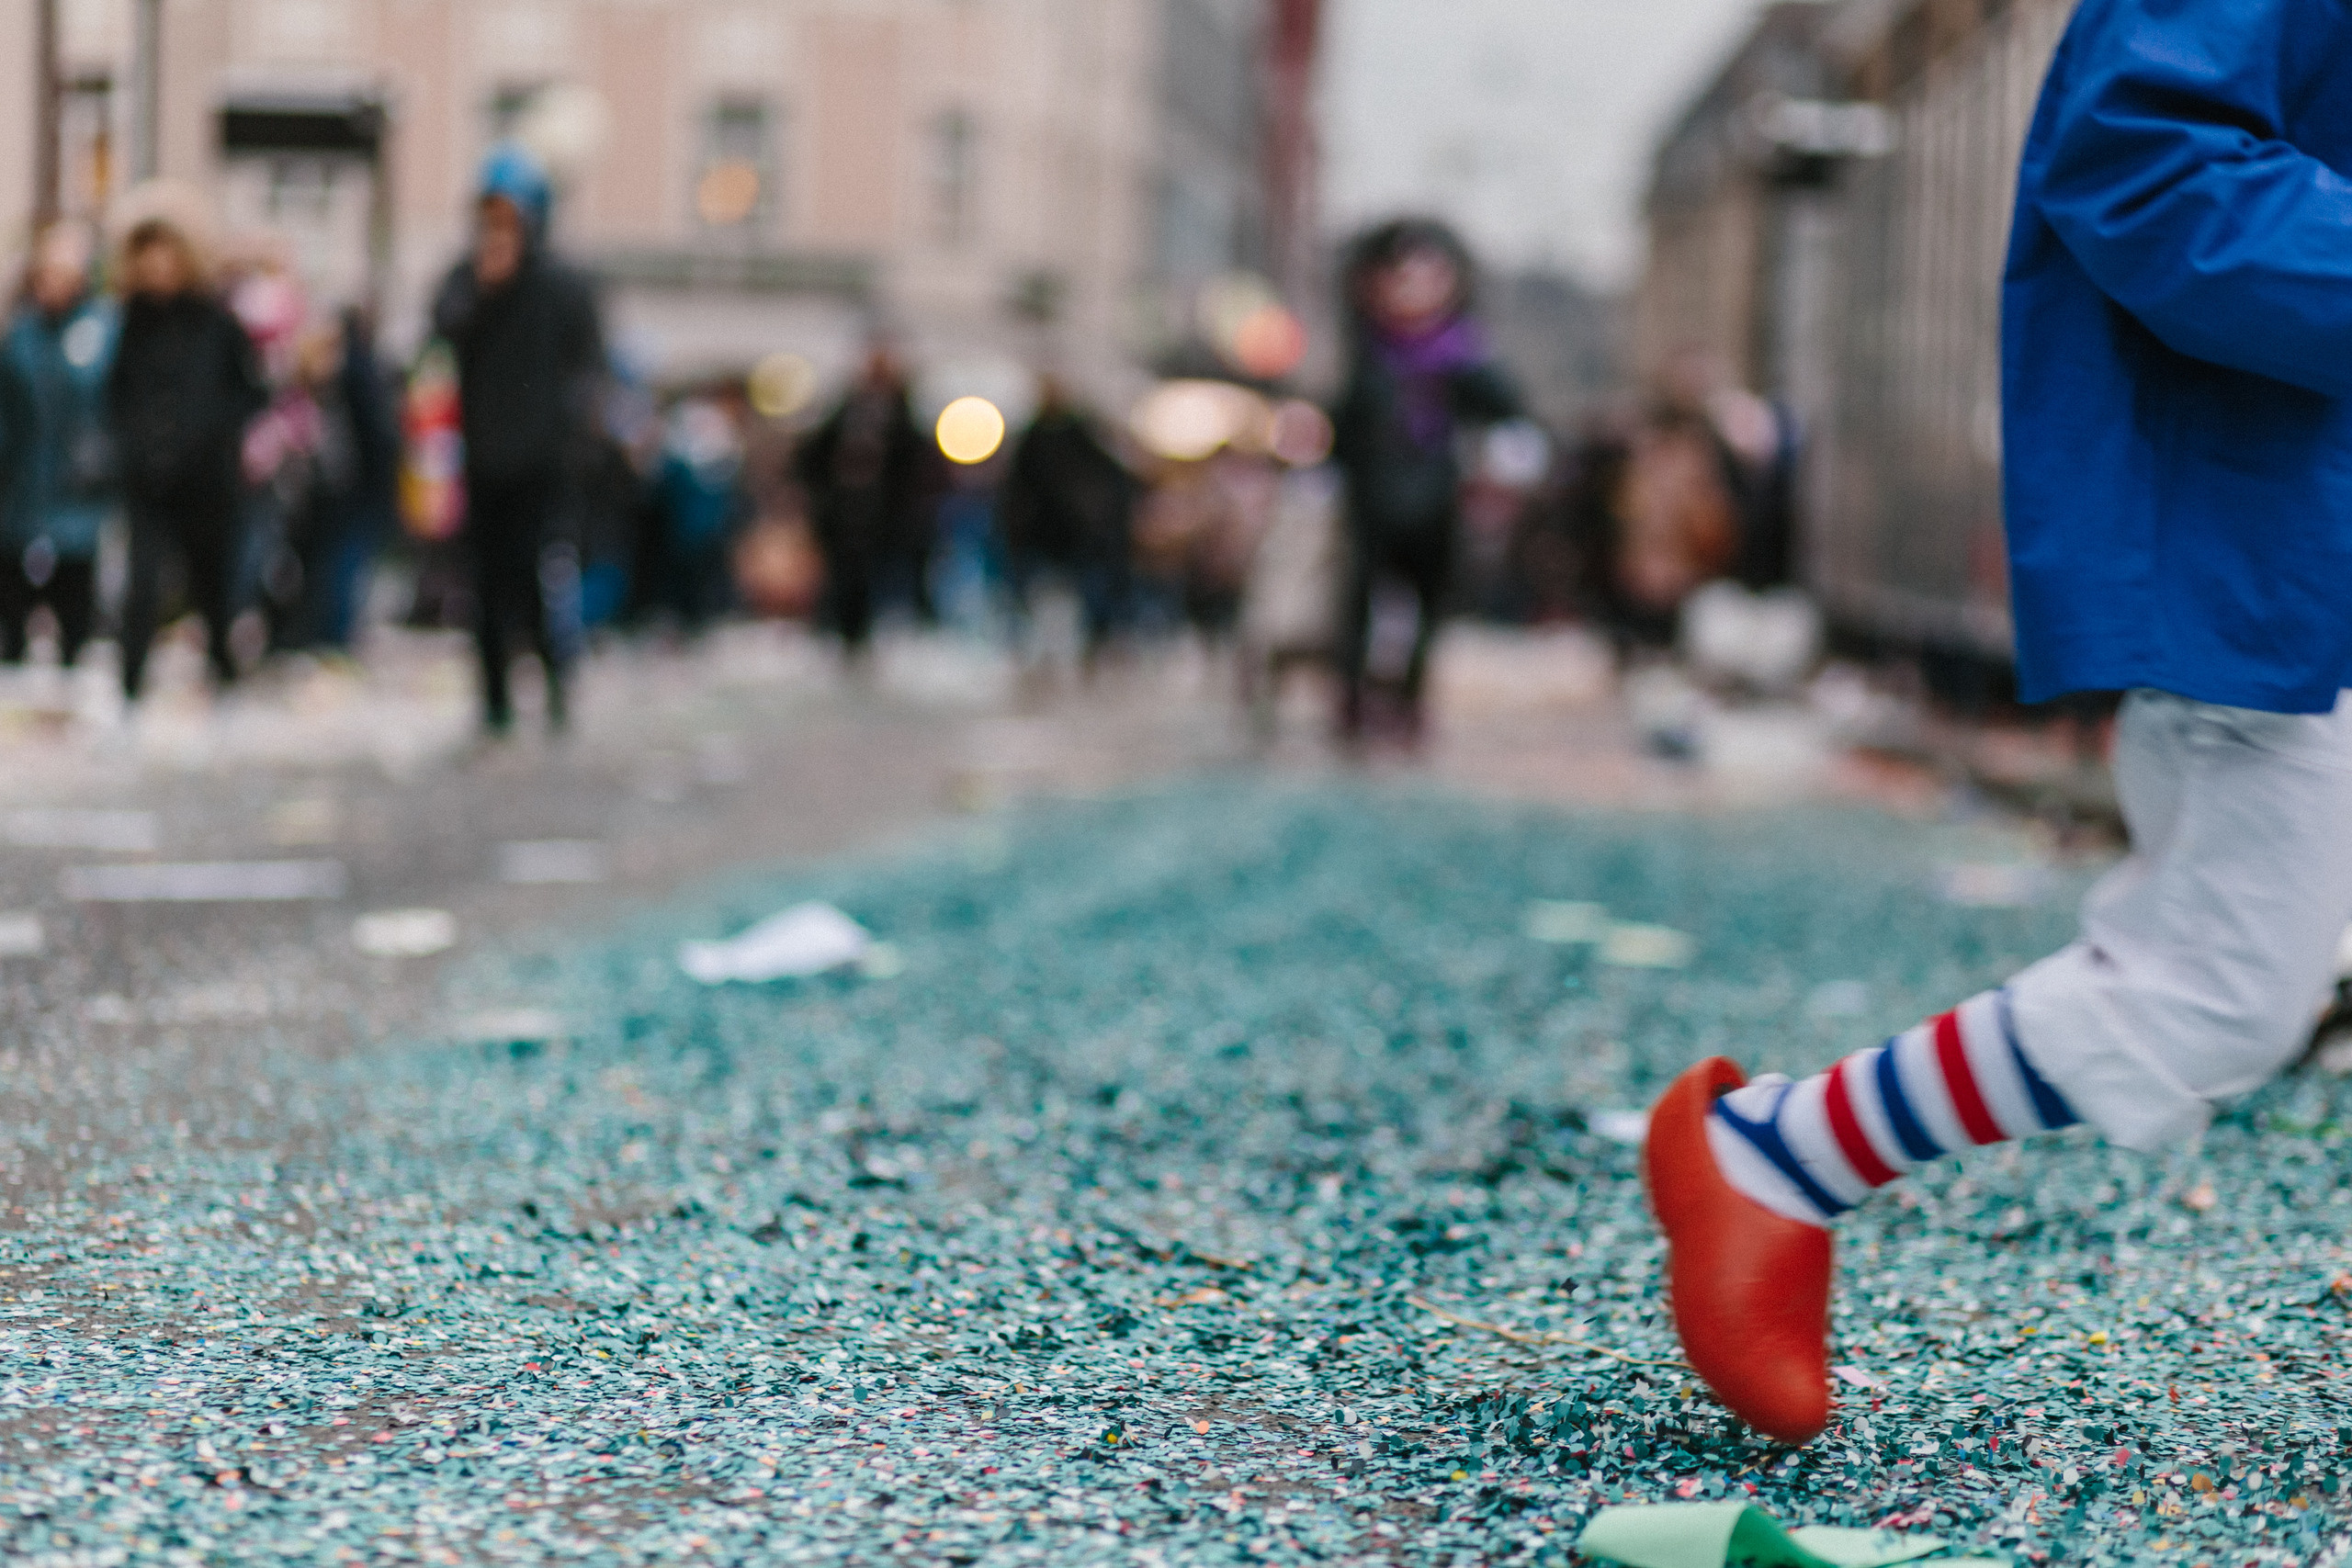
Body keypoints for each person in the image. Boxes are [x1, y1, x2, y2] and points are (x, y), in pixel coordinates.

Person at [1646, 0, 2352, 1447]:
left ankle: (1779, 1157)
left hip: (2286, 529)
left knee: (2223, 980)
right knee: (2216, 986)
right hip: (2269, 542)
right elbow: (2143, 158)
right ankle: (1776, 1155)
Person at [432, 142, 605, 735]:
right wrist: (483, 292)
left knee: (544, 579)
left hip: (544, 464)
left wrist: (575, 439)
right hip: (483, 459)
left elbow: (588, 368)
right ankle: (494, 700)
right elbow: (440, 342)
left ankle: (556, 684)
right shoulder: (464, 281)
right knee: (484, 586)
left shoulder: (565, 286)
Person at [1328, 220, 1519, 745]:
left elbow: (1506, 411)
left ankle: (1410, 702)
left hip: (1436, 497)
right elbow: (1342, 427)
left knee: (1427, 604)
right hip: (1371, 498)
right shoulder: (1365, 351)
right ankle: (1353, 702)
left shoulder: (1463, 354)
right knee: (1360, 601)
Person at [107, 189, 266, 703]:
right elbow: (116, 394)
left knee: (211, 579)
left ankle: (223, 667)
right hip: (148, 476)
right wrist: (130, 443)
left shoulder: (215, 322)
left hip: (207, 476)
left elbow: (249, 390)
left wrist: (216, 433)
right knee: (143, 580)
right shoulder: (131, 323)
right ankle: (130, 680)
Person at [0, 221, 112, 669]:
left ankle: (72, 661)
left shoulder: (101, 329)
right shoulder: (20, 334)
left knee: (74, 584)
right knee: (13, 587)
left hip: (79, 481)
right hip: (23, 481)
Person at [794, 345, 934, 662]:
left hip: (884, 515)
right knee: (847, 576)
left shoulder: (901, 414)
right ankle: (848, 635)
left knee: (886, 574)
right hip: (846, 512)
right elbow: (814, 453)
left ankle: (890, 635)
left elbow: (913, 460)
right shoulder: (847, 411)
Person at [999, 376, 1135, 672]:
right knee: (1037, 597)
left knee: (1083, 597)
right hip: (1041, 535)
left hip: (1075, 537)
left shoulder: (1080, 435)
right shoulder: (1033, 438)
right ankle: (1040, 655)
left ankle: (1086, 651)